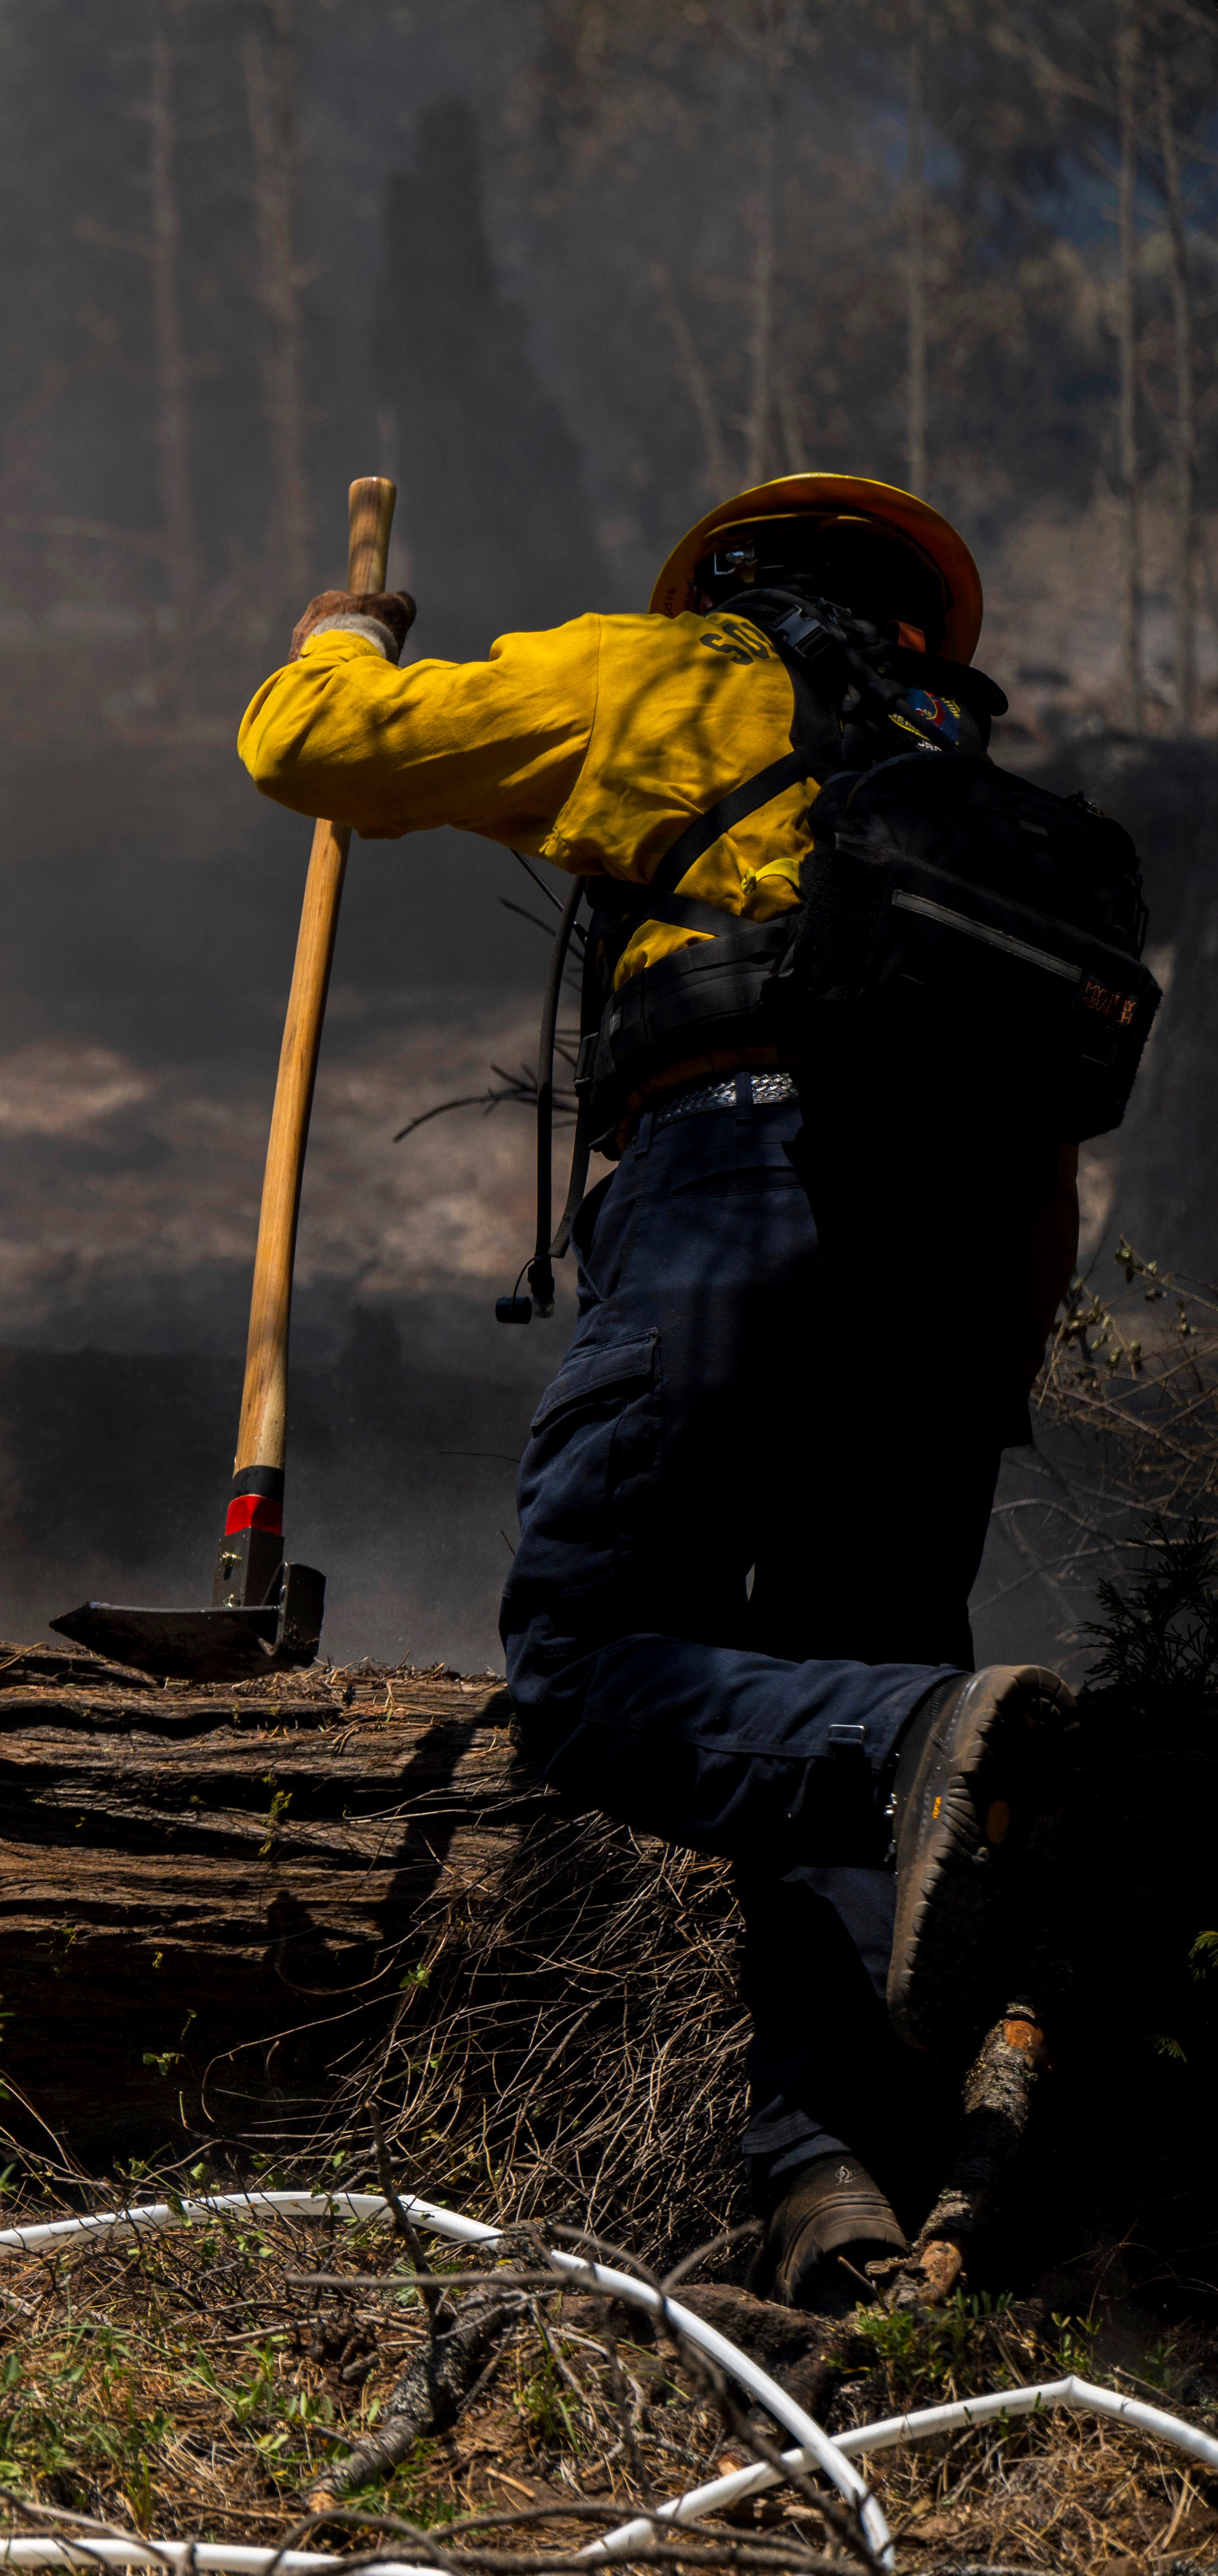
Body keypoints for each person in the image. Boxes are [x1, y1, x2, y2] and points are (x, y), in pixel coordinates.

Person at [235, 475, 1095, 2313]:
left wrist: (345, 641)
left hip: (739, 1188)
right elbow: (1047, 1179)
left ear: (734, 584)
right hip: (955, 1283)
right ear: (927, 625)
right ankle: (829, 2179)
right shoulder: (987, 808)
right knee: (856, 1689)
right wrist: (978, 1371)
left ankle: (910, 1743)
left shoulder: (667, 677)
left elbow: (310, 749)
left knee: (600, 1668)